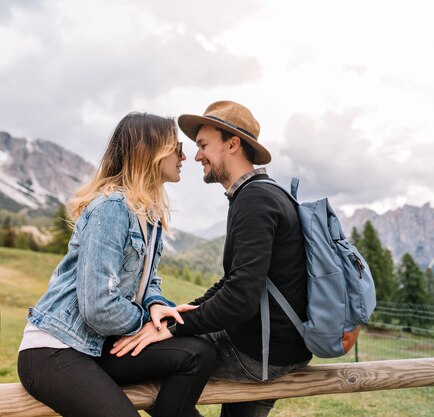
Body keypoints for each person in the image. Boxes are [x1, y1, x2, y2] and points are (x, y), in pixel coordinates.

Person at [112, 101, 312, 417]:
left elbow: (239, 299)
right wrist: (179, 314)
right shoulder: (267, 193)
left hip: (259, 353)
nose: (196, 155)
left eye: (204, 145)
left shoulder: (254, 200)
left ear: (233, 144)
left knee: (150, 356)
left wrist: (173, 329)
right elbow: (233, 282)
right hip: (281, 346)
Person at [17, 112, 217, 417]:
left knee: (198, 353)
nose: (184, 156)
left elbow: (147, 281)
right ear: (152, 152)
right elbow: (98, 306)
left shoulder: (149, 217)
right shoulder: (111, 209)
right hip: (55, 349)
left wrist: (155, 304)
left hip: (98, 346)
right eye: (176, 147)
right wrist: (147, 324)